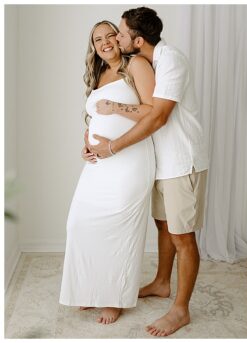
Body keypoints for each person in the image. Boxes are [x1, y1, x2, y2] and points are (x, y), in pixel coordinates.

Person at [86, 7, 210, 336]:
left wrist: (112, 147)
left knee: (183, 237)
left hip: (182, 162)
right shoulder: (148, 62)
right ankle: (161, 282)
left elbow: (157, 117)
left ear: (137, 40)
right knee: (164, 225)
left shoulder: (170, 60)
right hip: (159, 160)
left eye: (120, 34)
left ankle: (180, 310)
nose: (116, 38)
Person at [59, 19, 156, 325]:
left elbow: (154, 111)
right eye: (97, 39)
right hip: (100, 162)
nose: (104, 42)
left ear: (119, 38)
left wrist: (115, 107)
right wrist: (87, 144)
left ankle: (113, 298)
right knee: (79, 223)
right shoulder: (98, 73)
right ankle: (89, 289)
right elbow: (92, 119)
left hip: (131, 159)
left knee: (119, 228)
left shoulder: (137, 65)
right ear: (94, 47)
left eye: (109, 35)